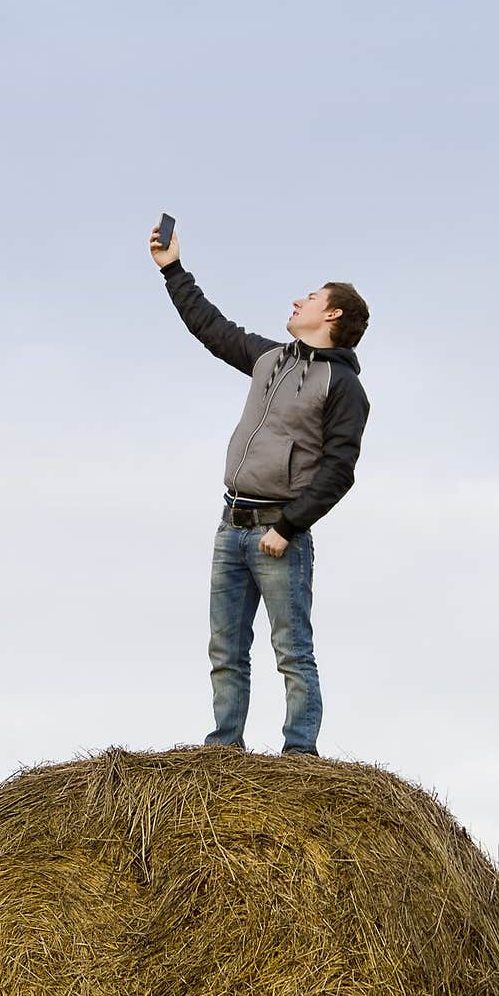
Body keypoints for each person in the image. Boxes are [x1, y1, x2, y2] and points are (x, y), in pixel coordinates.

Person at [150, 219, 370, 757]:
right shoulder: (269, 358)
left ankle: (299, 754)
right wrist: (172, 269)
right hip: (231, 524)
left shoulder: (343, 387)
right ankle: (225, 747)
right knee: (225, 647)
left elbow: (340, 470)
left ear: (332, 314)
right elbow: (210, 326)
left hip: (279, 533)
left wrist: (289, 525)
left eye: (312, 297)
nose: (299, 300)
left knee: (292, 649)